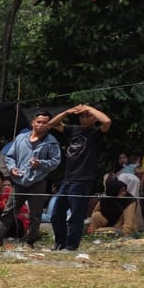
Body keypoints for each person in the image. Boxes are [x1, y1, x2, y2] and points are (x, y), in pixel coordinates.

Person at [49, 103, 111, 251]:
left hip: (83, 179)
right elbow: (52, 124)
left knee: (76, 216)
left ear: (94, 118)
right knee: (56, 213)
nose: (83, 119)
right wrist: (67, 111)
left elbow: (107, 122)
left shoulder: (96, 133)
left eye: (87, 116)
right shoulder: (73, 130)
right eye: (81, 116)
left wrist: (89, 109)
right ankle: (60, 242)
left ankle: (71, 246)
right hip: (68, 178)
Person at [1, 111, 60, 247]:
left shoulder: (51, 142)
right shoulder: (21, 138)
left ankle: (30, 241)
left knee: (35, 215)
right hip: (19, 180)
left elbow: (55, 161)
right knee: (8, 212)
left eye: (44, 122)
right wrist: (12, 168)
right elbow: (9, 156)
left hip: (38, 182)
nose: (40, 125)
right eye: (38, 122)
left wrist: (41, 163)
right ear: (33, 122)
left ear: (49, 126)